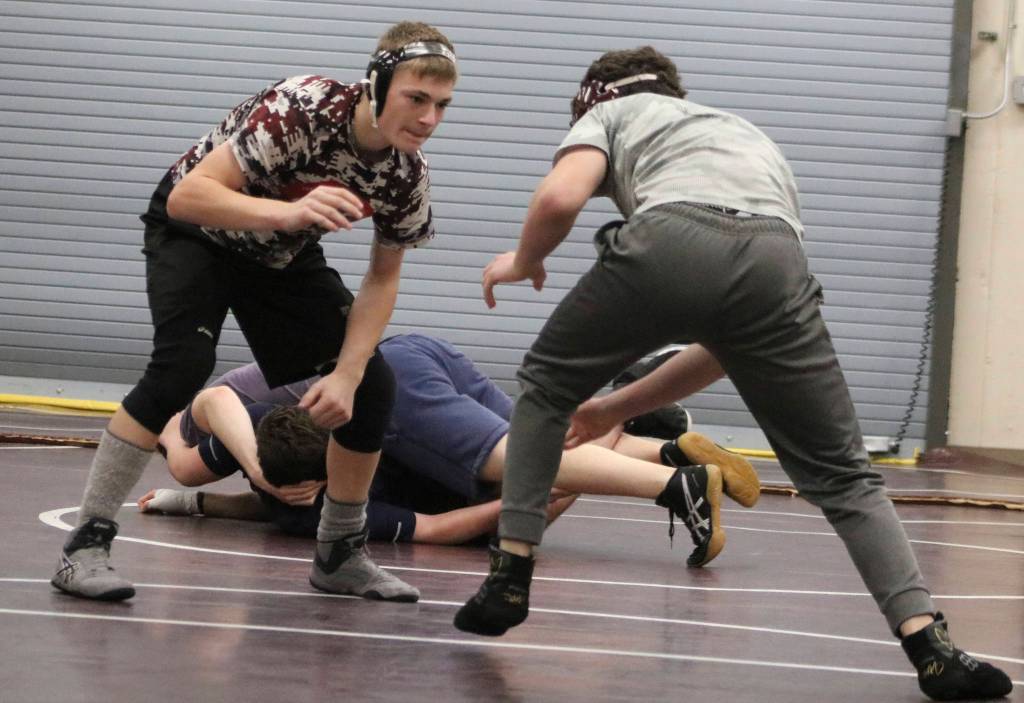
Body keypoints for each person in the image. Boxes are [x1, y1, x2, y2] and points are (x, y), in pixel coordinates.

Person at [452, 47, 1012, 702]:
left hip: (669, 239)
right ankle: (930, 644)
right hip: (777, 262)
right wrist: (610, 410)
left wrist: (524, 258)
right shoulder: (742, 133)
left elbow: (561, 194)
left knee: (547, 384)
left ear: (594, 97)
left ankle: (511, 570)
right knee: (844, 474)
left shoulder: (611, 112)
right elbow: (723, 347)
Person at [52, 21, 460, 604]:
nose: (428, 119)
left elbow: (383, 277)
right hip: (195, 232)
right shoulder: (302, 109)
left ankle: (341, 553)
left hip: (276, 253)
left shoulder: (405, 175)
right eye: (415, 99)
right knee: (181, 367)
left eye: (442, 106)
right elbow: (188, 195)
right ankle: (84, 548)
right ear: (377, 84)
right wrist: (290, 216)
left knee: (371, 384)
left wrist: (345, 374)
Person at [136, 333, 759, 550]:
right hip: (413, 358)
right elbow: (276, 510)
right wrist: (200, 506)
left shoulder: (210, 441)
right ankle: (670, 453)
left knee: (514, 467)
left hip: (392, 387)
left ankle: (672, 482)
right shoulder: (276, 450)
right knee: (532, 442)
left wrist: (233, 478)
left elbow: (210, 406)